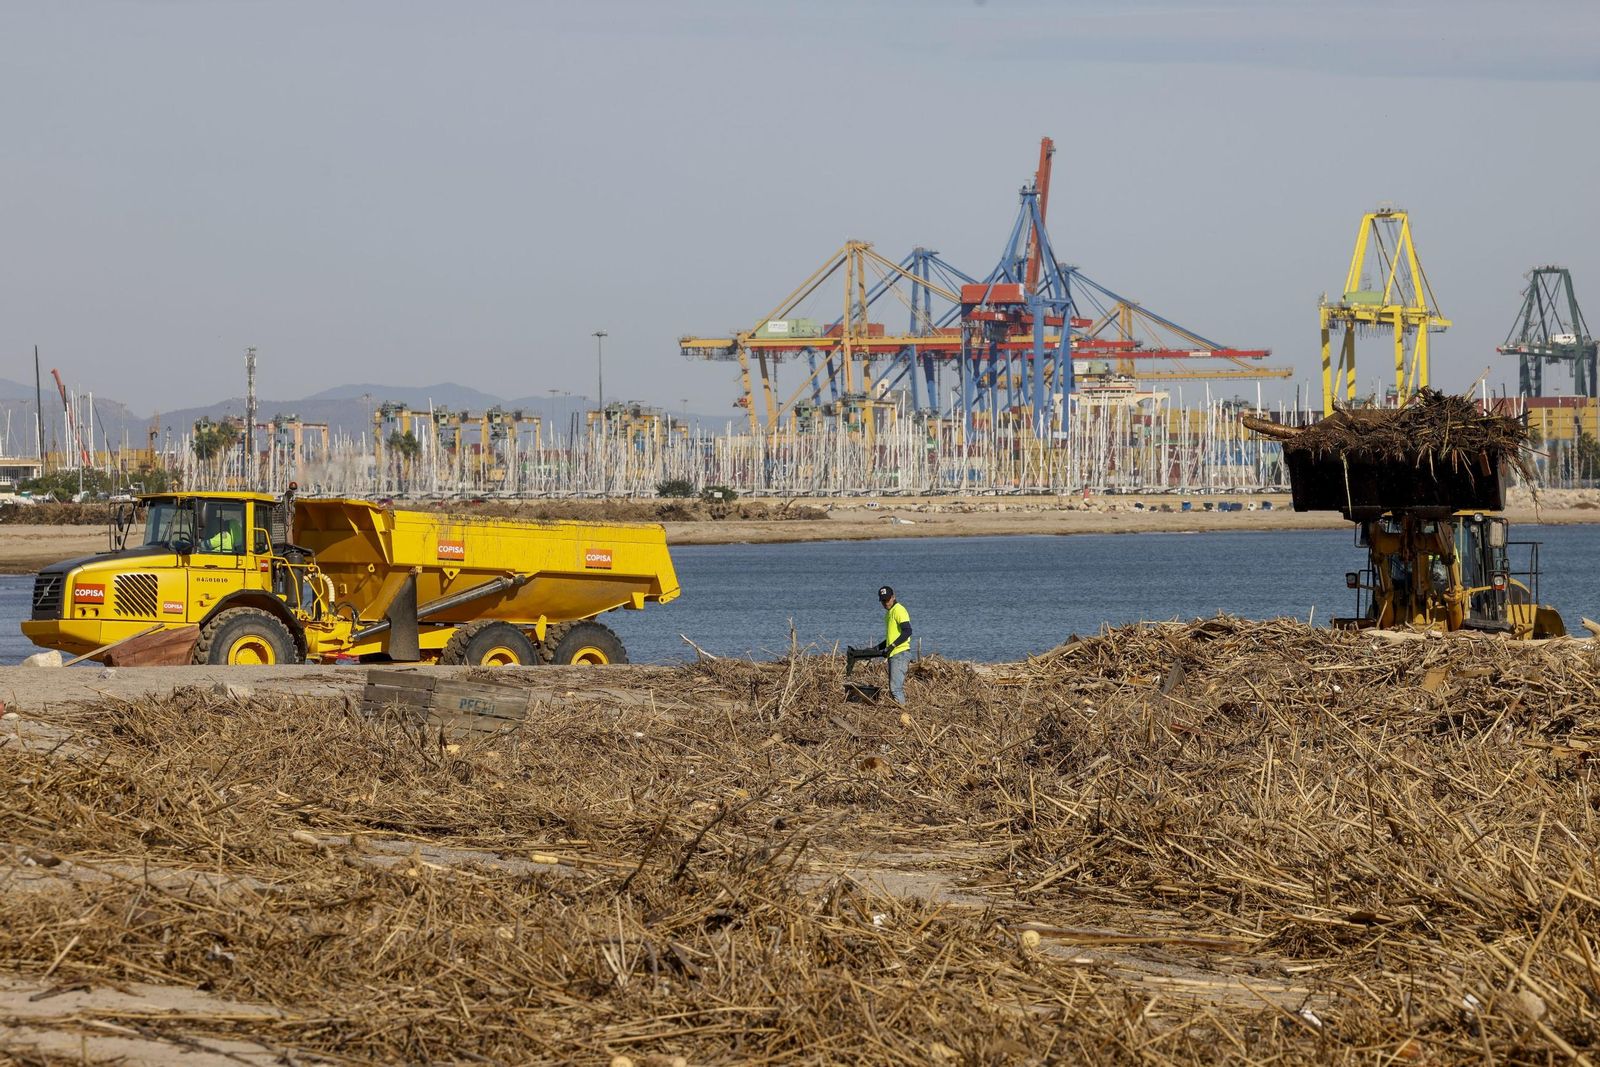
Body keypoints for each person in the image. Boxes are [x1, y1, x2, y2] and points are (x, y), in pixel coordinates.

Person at [876, 585, 912, 705]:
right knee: (894, 688)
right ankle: (900, 713)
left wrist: (891, 647)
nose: (885, 603)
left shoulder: (899, 610)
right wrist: (877, 648)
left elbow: (907, 631)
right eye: (883, 601)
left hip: (900, 654)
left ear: (893, 597)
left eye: (887, 600)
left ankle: (904, 714)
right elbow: (891, 638)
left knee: (895, 689)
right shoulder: (889, 613)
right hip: (894, 654)